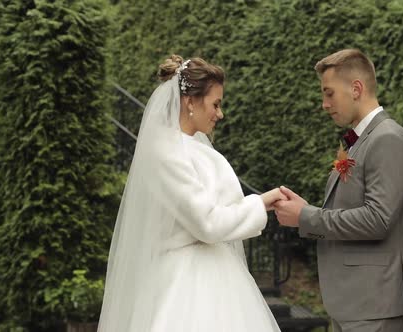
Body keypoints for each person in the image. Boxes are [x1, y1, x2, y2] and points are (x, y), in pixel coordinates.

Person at [98, 55, 283, 332]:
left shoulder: (195, 146)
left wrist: (260, 205)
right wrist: (259, 203)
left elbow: (215, 212)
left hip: (218, 275)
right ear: (190, 102)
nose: (220, 114)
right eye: (216, 104)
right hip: (186, 283)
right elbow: (206, 223)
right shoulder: (166, 151)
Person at [274, 49, 403, 332]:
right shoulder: (358, 139)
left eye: (329, 93)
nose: (324, 104)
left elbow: (378, 220)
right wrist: (307, 210)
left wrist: (306, 217)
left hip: (374, 303)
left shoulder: (388, 138)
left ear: (356, 88)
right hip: (354, 301)